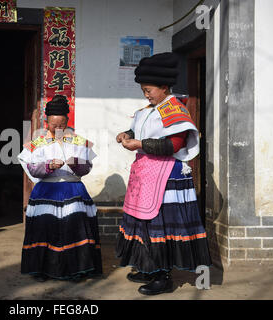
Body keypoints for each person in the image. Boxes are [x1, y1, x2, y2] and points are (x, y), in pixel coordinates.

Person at [115, 52, 212, 295]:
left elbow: (173, 145)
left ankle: (163, 277)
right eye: (143, 90)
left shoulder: (174, 110)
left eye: (149, 90)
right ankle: (148, 267)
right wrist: (126, 134)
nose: (145, 95)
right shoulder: (150, 109)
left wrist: (139, 144)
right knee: (142, 222)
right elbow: (140, 128)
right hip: (147, 173)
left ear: (164, 87)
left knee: (161, 226)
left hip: (167, 177)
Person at [18, 95, 102, 282]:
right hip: (46, 191)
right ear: (46, 122)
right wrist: (48, 166)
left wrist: (75, 164)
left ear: (67, 121)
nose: (58, 129)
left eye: (61, 125)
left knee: (74, 229)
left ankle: (76, 270)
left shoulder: (80, 142)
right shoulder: (37, 144)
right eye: (53, 125)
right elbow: (31, 168)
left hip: (73, 191)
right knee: (44, 229)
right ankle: (41, 269)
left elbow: (87, 168)